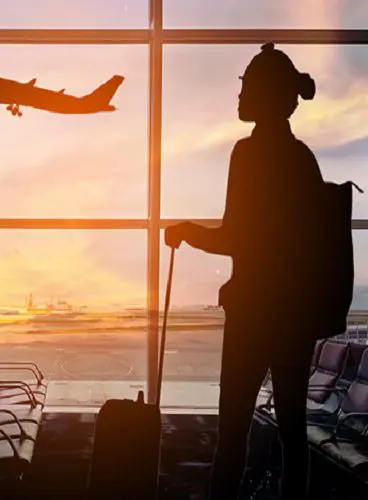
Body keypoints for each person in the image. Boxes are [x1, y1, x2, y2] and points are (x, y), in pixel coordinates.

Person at [165, 42, 322, 500]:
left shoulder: (249, 153)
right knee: (293, 431)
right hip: (295, 318)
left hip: (254, 313)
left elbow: (235, 238)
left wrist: (187, 231)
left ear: (266, 95)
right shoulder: (303, 159)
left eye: (247, 86)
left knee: (232, 433)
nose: (238, 96)